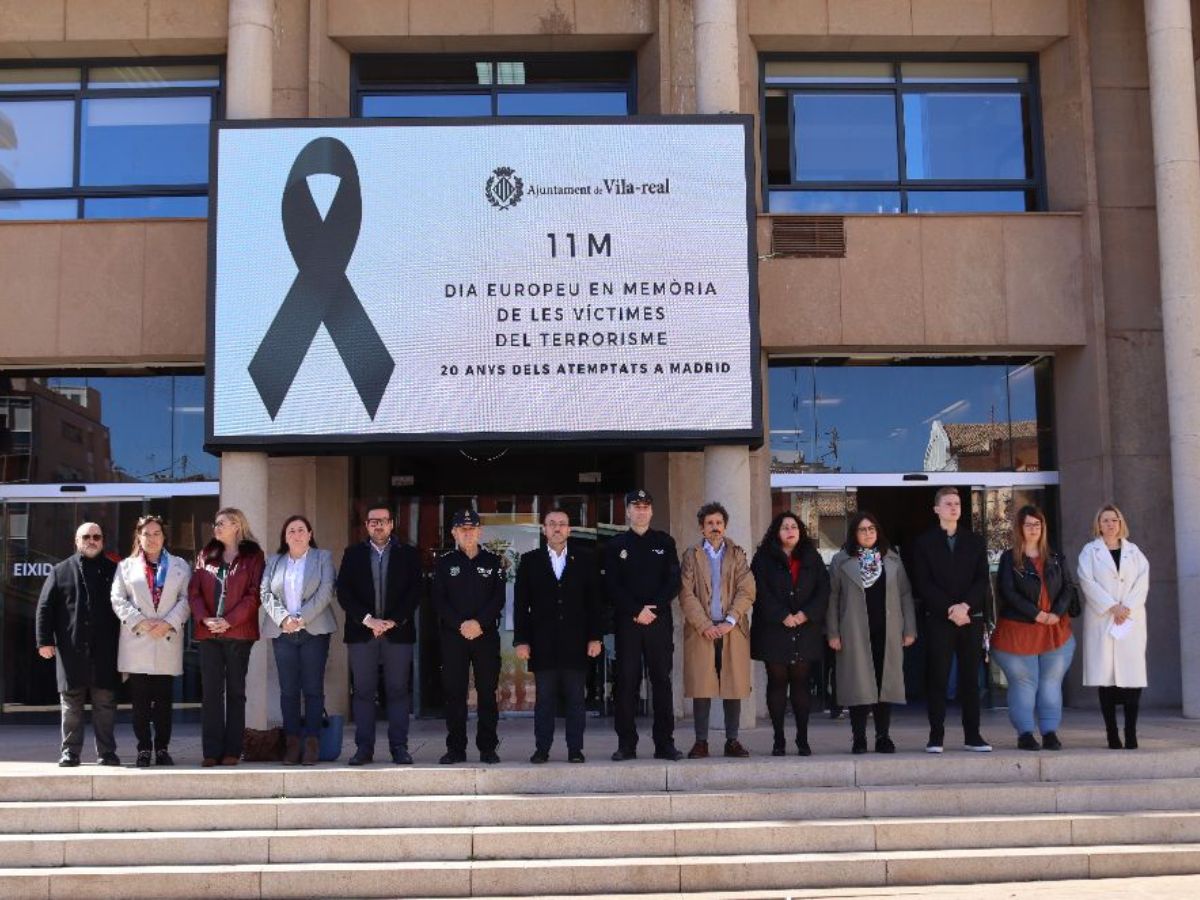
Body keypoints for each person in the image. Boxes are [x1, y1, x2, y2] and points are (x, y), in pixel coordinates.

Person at [514, 508, 603, 764]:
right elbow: (521, 604)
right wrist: (521, 640)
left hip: (577, 642)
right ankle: (542, 749)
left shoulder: (585, 559)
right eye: (552, 524)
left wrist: (595, 637)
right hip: (542, 643)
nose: (557, 528)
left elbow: (594, 603)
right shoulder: (530, 560)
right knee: (545, 701)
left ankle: (575, 749)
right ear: (543, 529)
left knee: (576, 699)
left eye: (562, 524)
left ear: (569, 530)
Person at [336, 503, 421, 766]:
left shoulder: (408, 554)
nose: (378, 525)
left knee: (397, 691)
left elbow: (415, 591)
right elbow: (344, 592)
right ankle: (364, 749)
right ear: (366, 525)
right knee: (363, 692)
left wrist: (393, 620)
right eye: (373, 521)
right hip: (363, 634)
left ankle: (399, 748)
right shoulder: (352, 554)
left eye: (383, 520)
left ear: (392, 524)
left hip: (398, 632)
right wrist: (368, 620)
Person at [910, 486, 992, 753]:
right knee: (938, 677)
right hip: (939, 618)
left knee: (971, 678)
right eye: (947, 503)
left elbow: (982, 580)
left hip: (970, 618)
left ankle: (973, 736)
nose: (953, 507)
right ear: (936, 509)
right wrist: (950, 609)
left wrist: (965, 607)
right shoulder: (924, 543)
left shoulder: (975, 542)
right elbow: (923, 583)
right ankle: (936, 737)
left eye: (957, 503)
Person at [827, 512, 916, 754]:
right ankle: (858, 738)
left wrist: (909, 628)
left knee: (883, 683)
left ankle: (883, 736)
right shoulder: (841, 560)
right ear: (854, 534)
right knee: (859, 685)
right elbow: (833, 598)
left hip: (887, 630)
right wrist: (833, 632)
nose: (868, 533)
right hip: (853, 630)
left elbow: (905, 595)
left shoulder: (892, 560)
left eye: (872, 529)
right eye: (863, 529)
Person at [605, 489, 683, 762]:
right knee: (626, 682)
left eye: (645, 506)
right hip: (628, 624)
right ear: (627, 511)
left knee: (662, 682)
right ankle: (626, 744)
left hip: (658, 623)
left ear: (651, 511)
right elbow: (612, 586)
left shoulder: (665, 542)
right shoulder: (615, 545)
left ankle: (665, 743)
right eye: (635, 506)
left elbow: (674, 581)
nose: (641, 511)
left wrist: (653, 609)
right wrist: (636, 610)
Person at [35, 522, 121, 767]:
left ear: (102, 541)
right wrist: (44, 641)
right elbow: (44, 608)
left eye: (97, 536)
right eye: (86, 536)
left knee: (105, 704)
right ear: (76, 540)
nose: (91, 540)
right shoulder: (60, 571)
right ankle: (70, 753)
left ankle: (107, 753)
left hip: (106, 651)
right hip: (71, 651)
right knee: (71, 705)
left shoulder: (115, 571)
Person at [992, 505, 1077, 751]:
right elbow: (1007, 591)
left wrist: (1055, 614)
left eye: (1037, 525)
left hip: (1054, 630)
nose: (1033, 529)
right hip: (1019, 632)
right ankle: (1025, 733)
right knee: (1025, 682)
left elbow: (1067, 587)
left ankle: (1050, 732)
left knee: (1050, 683)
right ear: (1020, 528)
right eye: (1028, 525)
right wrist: (1036, 613)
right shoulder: (1010, 558)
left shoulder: (1056, 557)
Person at [110, 515, 192, 767]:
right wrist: (142, 622)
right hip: (138, 639)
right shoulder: (126, 566)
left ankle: (163, 749)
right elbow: (117, 599)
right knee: (140, 703)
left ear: (164, 536)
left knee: (164, 702)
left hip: (166, 638)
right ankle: (143, 748)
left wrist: (167, 622)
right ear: (139, 537)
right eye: (147, 534)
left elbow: (187, 599)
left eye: (157, 533)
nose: (152, 538)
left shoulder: (179, 566)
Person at [678, 502, 756, 759]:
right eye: (709, 524)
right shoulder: (691, 555)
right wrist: (704, 625)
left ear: (725, 526)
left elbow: (747, 590)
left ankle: (732, 740)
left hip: (731, 629)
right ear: (702, 528)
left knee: (732, 685)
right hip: (703, 630)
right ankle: (701, 741)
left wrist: (730, 620)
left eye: (719, 523)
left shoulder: (737, 554)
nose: (715, 528)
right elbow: (686, 593)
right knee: (702, 686)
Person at [188, 507, 264, 767]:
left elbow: (254, 595)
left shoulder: (253, 556)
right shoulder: (205, 555)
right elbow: (194, 592)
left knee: (235, 691)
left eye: (222, 523)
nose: (216, 528)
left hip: (239, 633)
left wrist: (228, 621)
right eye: (215, 523)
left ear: (237, 526)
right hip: (209, 633)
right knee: (211, 693)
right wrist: (205, 619)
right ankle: (211, 751)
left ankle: (233, 750)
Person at [751, 511, 830, 756]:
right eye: (784, 527)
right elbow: (758, 591)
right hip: (774, 630)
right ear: (777, 532)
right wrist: (782, 615)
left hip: (805, 629)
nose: (790, 531)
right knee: (776, 682)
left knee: (800, 683)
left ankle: (802, 739)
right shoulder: (763, 558)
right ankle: (778, 739)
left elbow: (823, 590)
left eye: (794, 526)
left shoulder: (812, 557)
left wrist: (805, 614)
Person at [261, 515, 337, 766]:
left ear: (310, 533)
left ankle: (312, 742)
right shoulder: (274, 561)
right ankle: (292, 743)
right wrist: (283, 619)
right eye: (291, 530)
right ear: (285, 536)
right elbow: (265, 592)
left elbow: (326, 591)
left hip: (313, 631)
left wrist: (301, 618)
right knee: (288, 691)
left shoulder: (322, 557)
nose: (296, 534)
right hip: (283, 633)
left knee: (313, 689)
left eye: (301, 530)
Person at [433, 508, 506, 765]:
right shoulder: (444, 563)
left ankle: (487, 747)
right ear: (454, 532)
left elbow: (498, 599)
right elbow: (439, 600)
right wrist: (461, 624)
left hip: (485, 636)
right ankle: (456, 748)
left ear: (479, 531)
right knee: (455, 693)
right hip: (454, 637)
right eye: (462, 529)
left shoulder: (493, 562)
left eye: (472, 528)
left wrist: (478, 623)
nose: (467, 533)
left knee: (487, 692)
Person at [1078, 504, 1150, 750]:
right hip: (1103, 619)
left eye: (1114, 520)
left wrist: (1125, 607)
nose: (1110, 524)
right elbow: (1087, 582)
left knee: (1132, 678)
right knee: (1106, 678)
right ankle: (1112, 733)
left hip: (1129, 621)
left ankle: (1131, 732)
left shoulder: (1134, 552)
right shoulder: (1090, 551)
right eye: (1105, 520)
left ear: (1121, 523)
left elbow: (1143, 582)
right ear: (1098, 524)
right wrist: (1112, 607)